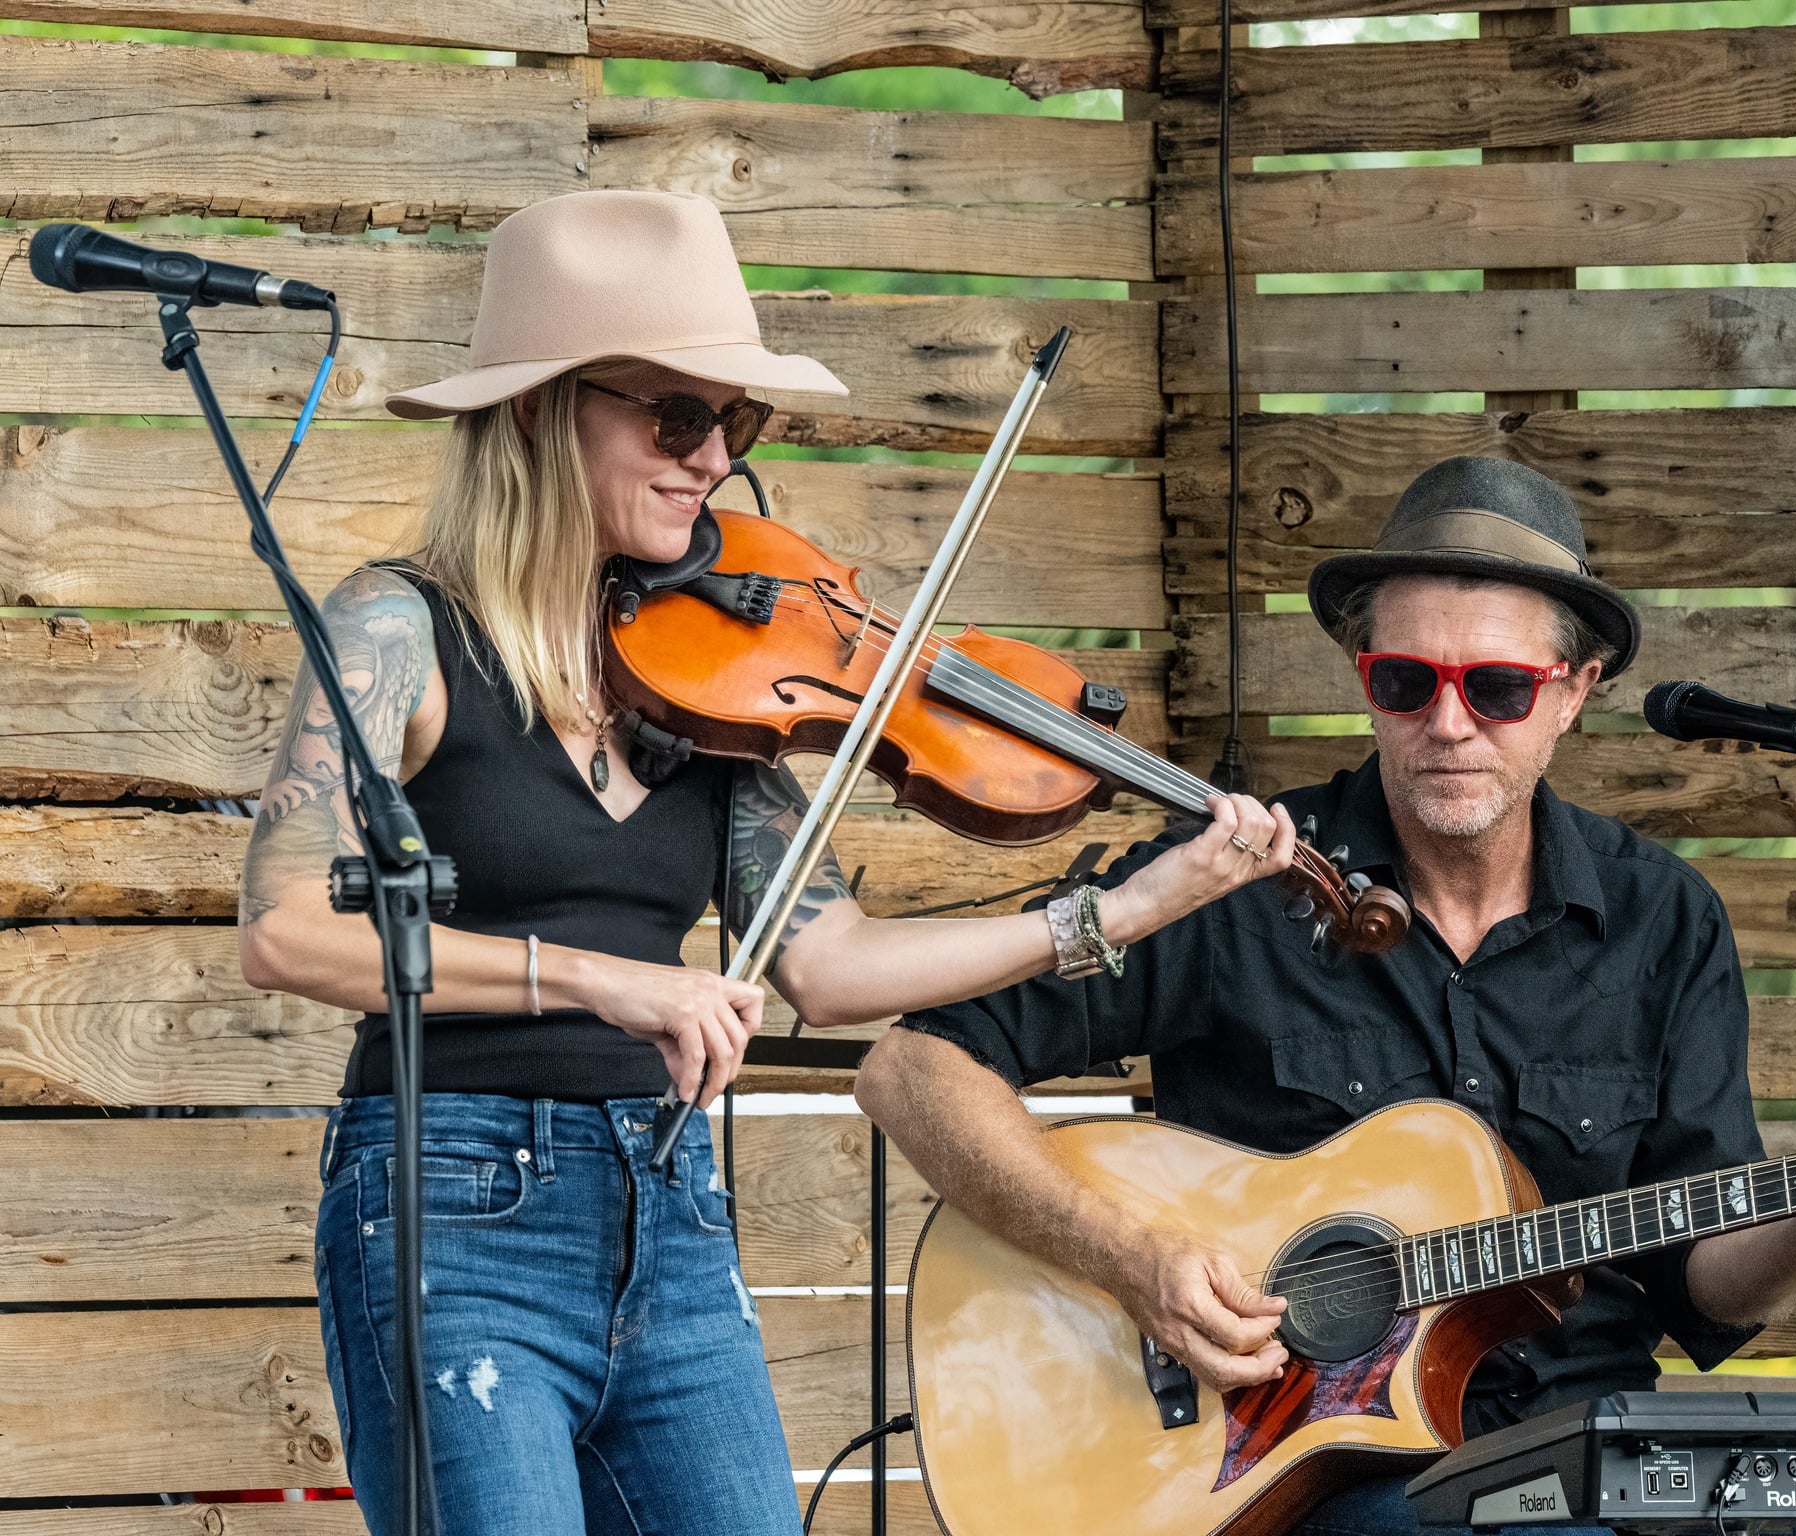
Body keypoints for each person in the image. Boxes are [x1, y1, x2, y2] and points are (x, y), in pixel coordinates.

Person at [236, 188, 1291, 1536]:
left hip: (665, 1199)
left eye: (737, 424)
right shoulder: (398, 628)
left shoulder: (707, 682)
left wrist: (1118, 913)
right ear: (542, 412)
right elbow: (284, 928)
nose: (712, 459)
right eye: (676, 417)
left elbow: (832, 966)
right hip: (453, 1198)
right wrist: (605, 981)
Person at [855, 455, 1796, 1536]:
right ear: (1364, 678)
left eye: (1497, 687)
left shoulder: (1663, 921)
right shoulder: (1235, 880)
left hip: (1586, 1454)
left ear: (1572, 692)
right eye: (1405, 681)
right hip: (1313, 1474)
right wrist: (1131, 1262)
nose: (1447, 724)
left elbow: (1699, 1285)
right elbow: (911, 1070)